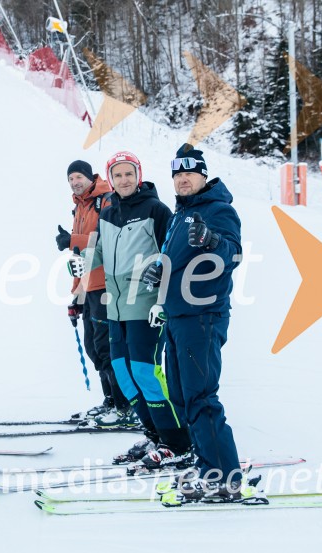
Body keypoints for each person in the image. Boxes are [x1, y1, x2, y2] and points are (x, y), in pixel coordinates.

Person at [140, 143, 245, 500]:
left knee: (200, 397)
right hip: (178, 316)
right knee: (184, 398)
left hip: (203, 317)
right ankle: (206, 465)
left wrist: (214, 240)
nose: (183, 179)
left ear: (203, 175)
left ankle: (222, 479)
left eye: (190, 173)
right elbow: (177, 260)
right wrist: (160, 272)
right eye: (178, 174)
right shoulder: (179, 215)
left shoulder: (218, 210)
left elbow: (232, 253)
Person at [81, 151, 191, 470]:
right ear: (111, 179)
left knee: (146, 371)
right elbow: (99, 251)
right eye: (118, 175)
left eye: (129, 173)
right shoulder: (109, 211)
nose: (124, 180)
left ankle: (177, 440)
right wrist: (83, 260)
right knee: (124, 374)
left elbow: (172, 253)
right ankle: (154, 434)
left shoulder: (155, 209)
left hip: (146, 304)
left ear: (138, 175)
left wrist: (162, 300)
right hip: (117, 307)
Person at [58, 160, 132, 422]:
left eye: (78, 177)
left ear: (90, 177)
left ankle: (125, 405)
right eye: (71, 179)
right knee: (93, 346)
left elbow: (108, 239)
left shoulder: (107, 201)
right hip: (88, 287)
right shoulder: (79, 207)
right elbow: (79, 260)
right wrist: (76, 295)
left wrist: (72, 240)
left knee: (106, 346)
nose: (75, 182)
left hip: (107, 286)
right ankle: (111, 400)